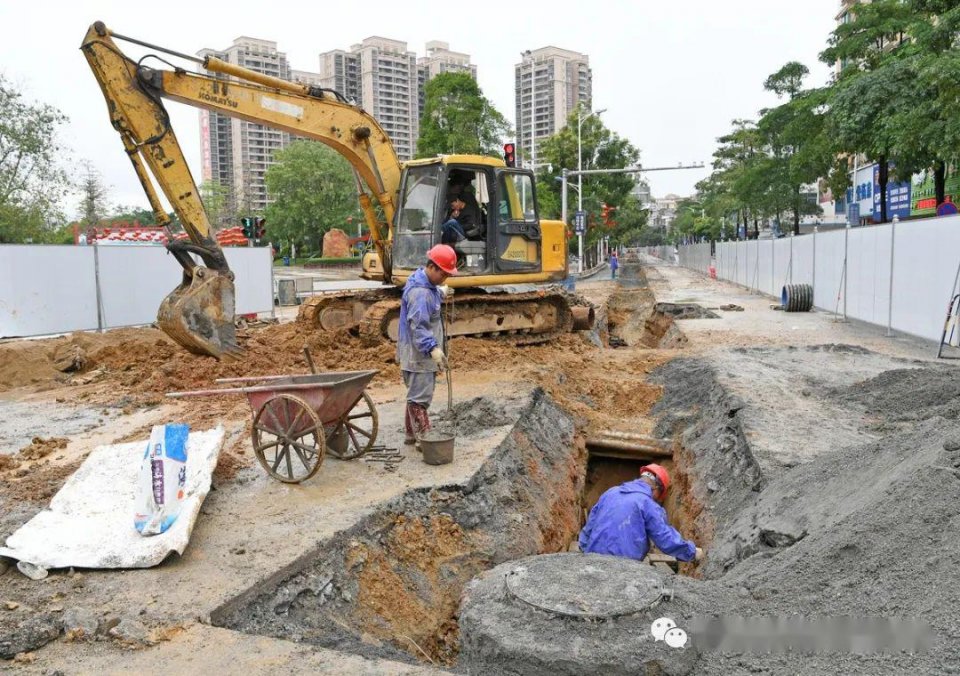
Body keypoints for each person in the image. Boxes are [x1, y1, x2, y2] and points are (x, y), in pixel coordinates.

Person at [578, 464, 704, 563]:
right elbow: (664, 538)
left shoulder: (610, 493)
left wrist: (586, 553)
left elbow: (588, 528)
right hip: (624, 566)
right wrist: (692, 552)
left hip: (592, 561)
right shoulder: (647, 503)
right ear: (656, 491)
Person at [397, 244, 457, 446]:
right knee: (419, 398)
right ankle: (425, 439)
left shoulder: (424, 284)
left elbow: (429, 296)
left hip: (414, 352)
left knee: (415, 393)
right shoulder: (421, 294)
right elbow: (419, 326)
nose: (445, 279)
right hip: (419, 354)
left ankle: (411, 434)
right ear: (432, 267)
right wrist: (432, 348)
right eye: (443, 275)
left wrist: (440, 292)